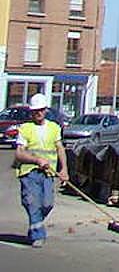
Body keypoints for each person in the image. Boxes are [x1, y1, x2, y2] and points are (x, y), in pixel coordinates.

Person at [13, 92, 69, 247]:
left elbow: (60, 149)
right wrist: (36, 160)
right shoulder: (25, 128)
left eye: (40, 110)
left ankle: (35, 224)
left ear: (45, 110)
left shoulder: (54, 128)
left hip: (49, 173)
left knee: (47, 204)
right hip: (29, 172)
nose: (37, 113)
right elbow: (19, 153)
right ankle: (38, 234)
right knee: (32, 202)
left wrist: (64, 170)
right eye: (34, 110)